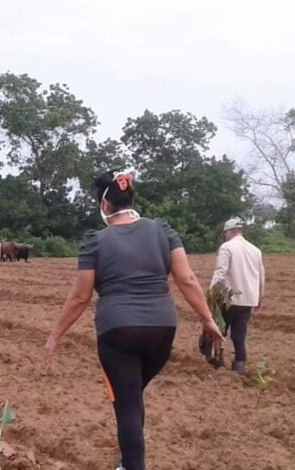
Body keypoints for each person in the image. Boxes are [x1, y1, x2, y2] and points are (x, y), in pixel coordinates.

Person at [43, 170, 224, 470]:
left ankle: (131, 464)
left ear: (104, 205)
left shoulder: (95, 242)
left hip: (118, 332)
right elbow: (187, 279)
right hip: (162, 331)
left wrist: (54, 337)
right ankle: (128, 458)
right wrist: (208, 320)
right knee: (132, 394)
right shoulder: (162, 230)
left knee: (126, 404)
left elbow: (79, 297)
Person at [210, 218, 265, 374]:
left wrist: (211, 294)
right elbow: (261, 276)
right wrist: (260, 298)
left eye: (225, 233)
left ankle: (217, 363)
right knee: (239, 334)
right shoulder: (255, 250)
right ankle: (239, 365)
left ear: (229, 232)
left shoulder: (227, 248)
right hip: (248, 299)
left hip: (228, 298)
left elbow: (220, 273)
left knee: (219, 330)